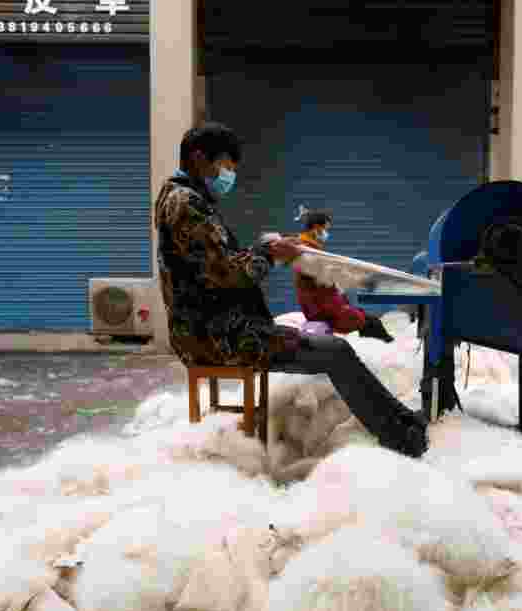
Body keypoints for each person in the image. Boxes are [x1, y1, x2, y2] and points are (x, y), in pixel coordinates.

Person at [153, 123, 428, 458]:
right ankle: (402, 436)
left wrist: (265, 249)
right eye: (224, 166)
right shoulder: (186, 204)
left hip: (214, 328)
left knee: (333, 349)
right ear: (199, 158)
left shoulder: (182, 198)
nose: (228, 176)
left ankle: (401, 421)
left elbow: (215, 264)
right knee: (336, 352)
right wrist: (270, 254)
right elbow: (227, 274)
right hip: (217, 336)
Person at [293, 208, 395, 343]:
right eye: (325, 229)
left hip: (320, 306)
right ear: (317, 227)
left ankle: (381, 342)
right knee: (371, 322)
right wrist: (361, 282)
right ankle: (388, 346)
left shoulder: (306, 249)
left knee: (366, 318)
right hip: (322, 310)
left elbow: (326, 278)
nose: (326, 233)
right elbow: (330, 278)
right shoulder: (308, 253)